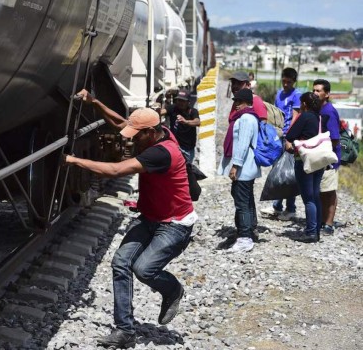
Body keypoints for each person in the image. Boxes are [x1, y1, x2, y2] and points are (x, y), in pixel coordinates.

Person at [65, 89, 197, 348]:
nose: (130, 141)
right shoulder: (156, 131)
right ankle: (125, 330)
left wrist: (73, 160)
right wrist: (95, 101)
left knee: (144, 269)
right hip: (150, 217)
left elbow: (115, 170)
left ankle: (172, 289)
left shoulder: (159, 153)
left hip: (174, 225)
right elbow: (119, 122)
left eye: (136, 137)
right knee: (120, 263)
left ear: (149, 134)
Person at [218, 88, 261, 253]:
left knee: (241, 202)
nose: (236, 105)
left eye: (239, 102)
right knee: (247, 199)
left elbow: (243, 144)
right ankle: (247, 231)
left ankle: (244, 238)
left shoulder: (246, 119)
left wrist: (235, 165)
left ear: (248, 103)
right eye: (235, 101)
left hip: (244, 168)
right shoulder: (248, 117)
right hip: (247, 167)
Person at [284, 92, 327, 243]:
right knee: (315, 195)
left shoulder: (304, 116)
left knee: (308, 198)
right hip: (319, 161)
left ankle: (310, 232)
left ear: (304, 104)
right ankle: (316, 230)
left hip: (304, 160)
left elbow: (290, 136)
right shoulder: (320, 118)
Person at [261, 67, 301, 220]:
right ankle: (277, 205)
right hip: (278, 135)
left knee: (289, 173)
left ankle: (290, 208)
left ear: (293, 82)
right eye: (284, 81)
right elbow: (277, 113)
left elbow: (295, 117)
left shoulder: (296, 96)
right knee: (277, 170)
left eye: (289, 82)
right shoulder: (279, 93)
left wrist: (290, 137)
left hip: (289, 137)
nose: (286, 85)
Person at [312, 79, 342, 234]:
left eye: (319, 91)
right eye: (314, 90)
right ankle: (323, 220)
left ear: (327, 94)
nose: (315, 93)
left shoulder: (328, 111)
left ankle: (329, 224)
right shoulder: (318, 109)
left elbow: (335, 138)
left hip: (329, 158)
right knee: (321, 191)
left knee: (329, 192)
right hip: (320, 157)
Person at [163, 89, 201, 162]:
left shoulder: (193, 111)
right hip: (174, 145)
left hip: (187, 149)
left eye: (183, 101)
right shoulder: (173, 108)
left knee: (187, 169)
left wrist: (186, 121)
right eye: (179, 100)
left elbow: (197, 122)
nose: (180, 103)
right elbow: (162, 112)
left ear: (188, 102)